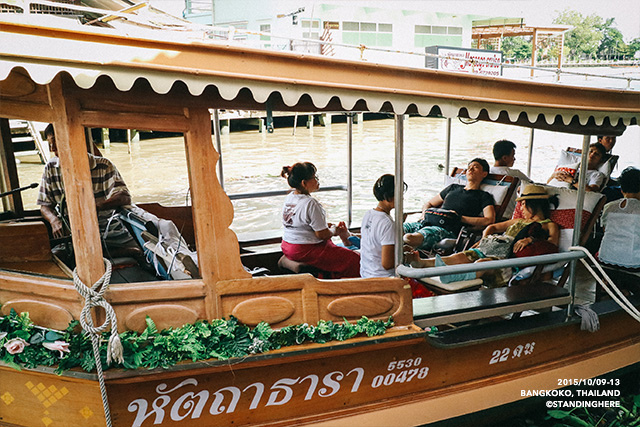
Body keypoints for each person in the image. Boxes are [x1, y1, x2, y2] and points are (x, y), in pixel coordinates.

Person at [406, 184, 559, 287]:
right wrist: (485, 239)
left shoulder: (549, 225)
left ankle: (454, 278)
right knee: (458, 257)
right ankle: (423, 264)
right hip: (491, 248)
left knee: (482, 262)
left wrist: (530, 239)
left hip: (505, 261)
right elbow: (492, 227)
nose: (521, 208)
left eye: (524, 204)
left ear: (536, 204)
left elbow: (552, 246)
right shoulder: (517, 220)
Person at [37, 124, 139, 258]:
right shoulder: (51, 168)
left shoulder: (103, 165)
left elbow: (124, 196)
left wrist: (98, 206)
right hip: (73, 235)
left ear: (75, 139)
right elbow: (45, 205)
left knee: (142, 255)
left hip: (109, 232)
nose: (52, 148)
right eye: (50, 143)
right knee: (54, 257)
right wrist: (54, 221)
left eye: (56, 141)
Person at [280, 162, 360, 278]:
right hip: (304, 250)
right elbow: (322, 235)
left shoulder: (290, 197)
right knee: (355, 260)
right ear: (304, 183)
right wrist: (334, 230)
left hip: (288, 246)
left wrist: (324, 225)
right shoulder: (310, 203)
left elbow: (300, 223)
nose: (317, 180)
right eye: (314, 178)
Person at [403, 158, 495, 251]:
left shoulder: (483, 196)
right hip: (426, 222)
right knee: (397, 229)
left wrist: (459, 218)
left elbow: (489, 219)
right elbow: (429, 203)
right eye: (469, 167)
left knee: (408, 238)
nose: (470, 170)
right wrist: (423, 214)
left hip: (445, 230)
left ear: (484, 173)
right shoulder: (453, 187)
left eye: (475, 167)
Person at [360, 174, 406, 278]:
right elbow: (387, 264)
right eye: (399, 194)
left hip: (365, 274)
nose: (402, 198)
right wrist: (407, 256)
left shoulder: (368, 215)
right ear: (388, 197)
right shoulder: (387, 224)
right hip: (383, 279)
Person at [598, 167, 640, 270]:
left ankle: (607, 283)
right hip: (633, 262)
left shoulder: (609, 206)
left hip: (606, 258)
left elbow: (605, 229)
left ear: (621, 190)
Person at [490, 139, 532, 219]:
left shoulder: (487, 172)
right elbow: (534, 187)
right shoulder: (515, 174)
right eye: (513, 155)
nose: (514, 159)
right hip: (507, 217)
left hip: (488, 214)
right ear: (505, 158)